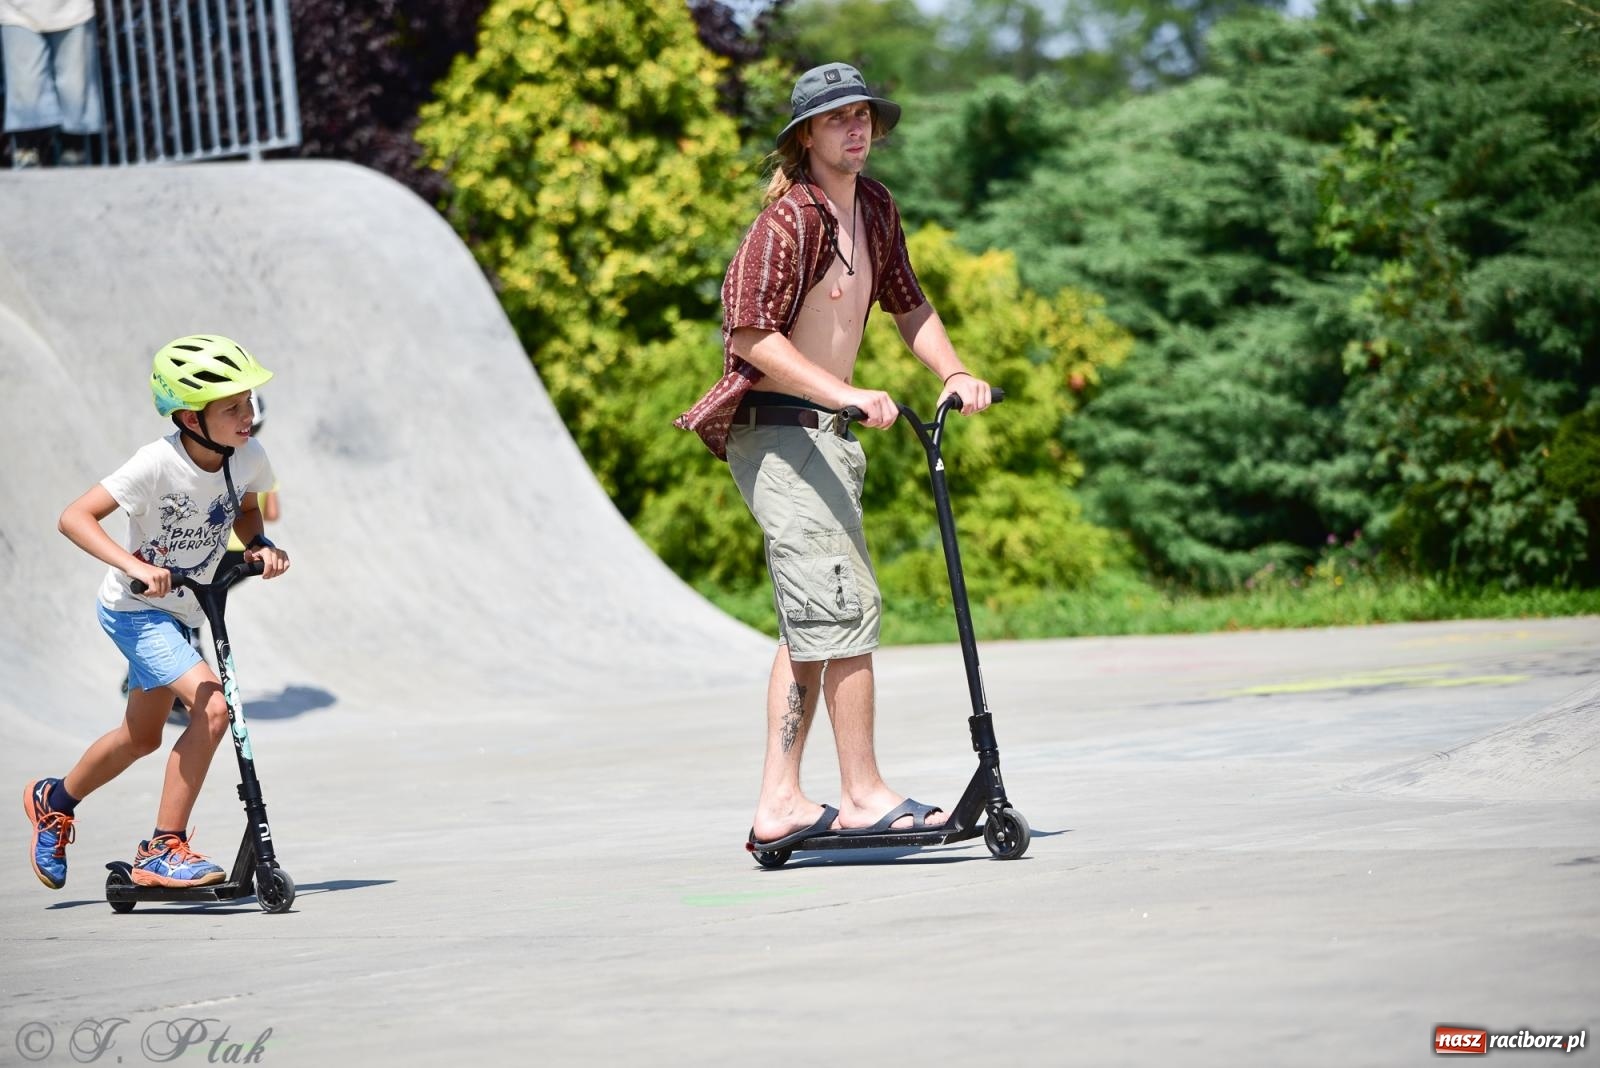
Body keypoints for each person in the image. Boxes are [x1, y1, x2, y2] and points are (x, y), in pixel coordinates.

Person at [676, 62, 995, 848]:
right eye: (836, 119)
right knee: (843, 608)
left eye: (864, 116)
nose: (856, 129)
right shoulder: (786, 225)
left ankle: (778, 802)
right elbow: (748, 337)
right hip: (779, 431)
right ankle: (861, 793)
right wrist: (843, 393)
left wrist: (951, 370)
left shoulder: (876, 209)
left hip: (827, 439)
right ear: (805, 137)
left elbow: (907, 303)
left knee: (813, 620)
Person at [24, 334, 290, 890]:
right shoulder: (155, 464)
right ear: (192, 417)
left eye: (248, 402)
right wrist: (135, 565)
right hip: (136, 608)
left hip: (183, 610)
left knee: (140, 737)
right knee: (213, 709)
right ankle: (162, 847)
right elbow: (74, 517)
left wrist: (259, 543)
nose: (249, 415)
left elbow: (244, 509)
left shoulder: (250, 457)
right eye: (233, 407)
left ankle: (55, 798)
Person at [162, 394, 280, 728]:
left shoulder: (252, 459)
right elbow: (271, 512)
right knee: (196, 611)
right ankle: (178, 684)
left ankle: (182, 687)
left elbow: (254, 512)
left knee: (193, 611)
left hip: (211, 549)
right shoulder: (256, 460)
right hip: (238, 552)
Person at [0, 0, 103, 167]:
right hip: (15, 10)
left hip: (74, 8)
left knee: (75, 85)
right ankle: (27, 149)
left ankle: (74, 147)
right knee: (25, 84)